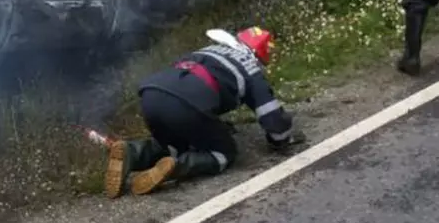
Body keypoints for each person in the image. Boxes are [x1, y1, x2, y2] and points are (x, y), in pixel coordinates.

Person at [104, 26, 306, 198]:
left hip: (152, 95)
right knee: (224, 153)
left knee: (174, 144)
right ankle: (178, 166)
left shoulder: (208, 51)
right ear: (260, 55)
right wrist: (281, 140)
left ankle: (133, 152)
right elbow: (272, 118)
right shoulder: (250, 67)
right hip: (187, 104)